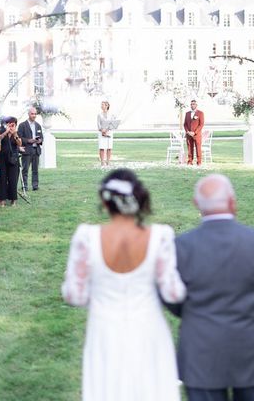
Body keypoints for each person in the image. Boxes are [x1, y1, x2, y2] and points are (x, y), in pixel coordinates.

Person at [62, 169, 186, 400]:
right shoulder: (161, 236)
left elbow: (74, 296)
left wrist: (100, 292)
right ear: (138, 198)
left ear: (105, 201)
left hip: (105, 330)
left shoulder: (86, 237)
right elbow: (173, 292)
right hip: (148, 328)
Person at [166, 174, 254, 401]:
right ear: (232, 201)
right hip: (248, 346)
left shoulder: (180, 247)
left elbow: (173, 300)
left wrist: (195, 313)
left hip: (200, 349)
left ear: (197, 204)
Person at [0, 116, 22, 207]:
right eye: (9, 124)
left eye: (13, 124)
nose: (11, 126)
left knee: (13, 179)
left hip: (13, 158)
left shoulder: (16, 133)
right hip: (2, 157)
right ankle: (2, 199)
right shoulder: (2, 131)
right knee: (2, 178)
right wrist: (6, 132)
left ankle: (13, 199)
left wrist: (14, 134)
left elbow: (19, 144)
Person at [18, 107, 43, 191]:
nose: (34, 115)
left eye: (35, 114)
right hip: (27, 150)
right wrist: (29, 140)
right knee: (25, 170)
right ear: (28, 114)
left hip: (36, 150)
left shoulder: (38, 125)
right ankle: (25, 186)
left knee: (35, 170)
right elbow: (19, 138)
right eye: (32, 114)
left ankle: (35, 186)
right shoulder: (22, 125)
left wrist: (40, 140)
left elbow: (41, 137)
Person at [97, 101, 119, 167]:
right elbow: (98, 124)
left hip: (109, 132)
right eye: (101, 105)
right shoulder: (99, 115)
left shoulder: (111, 114)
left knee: (109, 147)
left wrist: (107, 130)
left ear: (107, 106)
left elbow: (113, 123)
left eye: (103, 105)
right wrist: (102, 130)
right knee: (102, 147)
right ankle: (102, 162)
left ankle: (108, 161)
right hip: (101, 132)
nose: (101, 106)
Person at [184, 99, 204, 166]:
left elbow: (201, 124)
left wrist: (195, 132)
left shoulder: (200, 113)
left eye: (194, 104)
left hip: (197, 135)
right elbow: (185, 124)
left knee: (198, 148)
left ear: (196, 105)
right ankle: (190, 161)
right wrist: (187, 131)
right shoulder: (187, 114)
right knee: (190, 148)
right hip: (189, 134)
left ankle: (199, 162)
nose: (192, 105)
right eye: (191, 104)